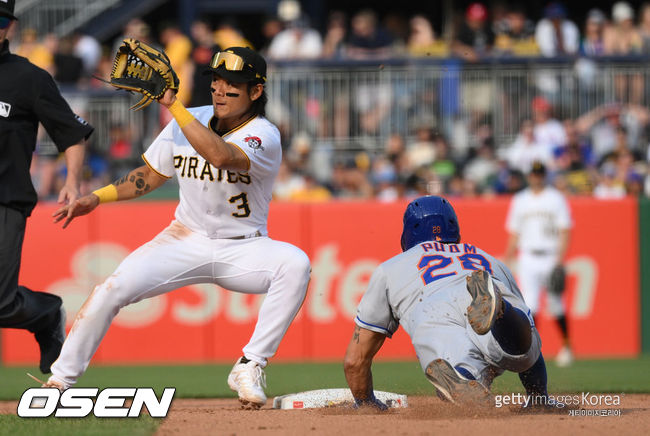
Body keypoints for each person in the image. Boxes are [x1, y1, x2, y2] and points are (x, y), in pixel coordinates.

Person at [44, 46, 311, 409]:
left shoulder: (264, 134)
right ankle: (59, 381)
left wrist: (174, 106)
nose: (220, 89)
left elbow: (221, 155)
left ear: (256, 91)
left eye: (232, 83)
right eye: (215, 80)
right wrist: (98, 196)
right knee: (111, 288)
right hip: (184, 238)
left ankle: (250, 364)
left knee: (295, 263)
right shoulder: (190, 117)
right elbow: (152, 175)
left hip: (244, 247)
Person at [344, 196, 551, 407]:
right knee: (521, 348)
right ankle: (502, 312)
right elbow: (533, 352)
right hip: (480, 281)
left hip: (433, 308)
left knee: (459, 368)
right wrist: (539, 394)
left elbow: (355, 360)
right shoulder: (489, 259)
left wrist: (365, 401)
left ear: (409, 231)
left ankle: (462, 376)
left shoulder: (389, 269)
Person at [0, 0, 93, 374]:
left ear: (10, 27)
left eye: (2, 20)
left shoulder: (29, 78)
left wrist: (71, 179)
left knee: (2, 304)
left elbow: (71, 134)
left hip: (5, 200)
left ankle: (47, 314)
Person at [504, 162, 573, 367]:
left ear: (544, 176)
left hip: (550, 255)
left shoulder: (555, 198)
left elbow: (565, 230)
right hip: (528, 256)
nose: (536, 177)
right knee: (530, 304)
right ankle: (532, 348)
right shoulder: (520, 200)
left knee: (556, 303)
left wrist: (560, 259)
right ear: (529, 176)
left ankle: (567, 346)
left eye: (539, 174)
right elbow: (514, 233)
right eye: (533, 174)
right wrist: (508, 258)